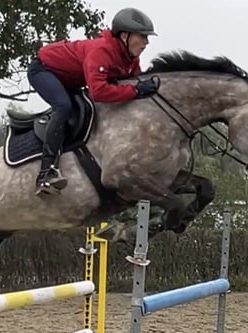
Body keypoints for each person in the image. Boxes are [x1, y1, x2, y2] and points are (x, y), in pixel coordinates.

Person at [27, 7, 160, 194]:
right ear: (124, 36)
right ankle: (46, 173)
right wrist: (135, 90)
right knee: (63, 106)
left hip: (69, 79)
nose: (146, 42)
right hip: (43, 70)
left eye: (147, 38)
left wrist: (145, 90)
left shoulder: (130, 59)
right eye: (143, 36)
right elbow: (99, 92)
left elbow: (131, 84)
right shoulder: (102, 51)